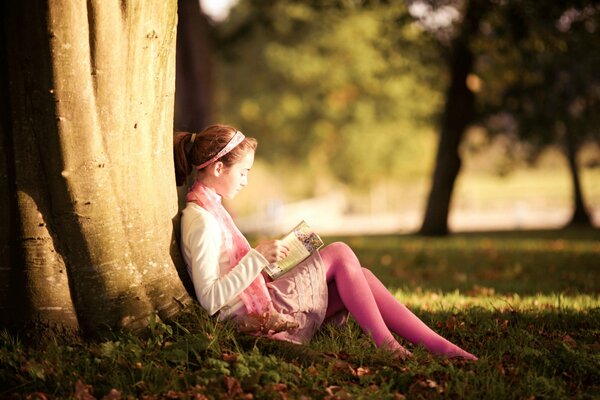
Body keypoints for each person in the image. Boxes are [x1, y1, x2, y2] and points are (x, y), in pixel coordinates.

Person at [174, 124, 477, 361]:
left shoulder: (212, 210)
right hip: (257, 321)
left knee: (362, 277)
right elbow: (210, 299)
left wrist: (270, 262)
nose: (245, 180)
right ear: (217, 168)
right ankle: (388, 346)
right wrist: (256, 258)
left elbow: (232, 274)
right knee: (341, 253)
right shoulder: (201, 220)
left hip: (265, 302)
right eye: (243, 172)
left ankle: (440, 346)